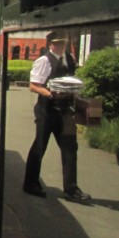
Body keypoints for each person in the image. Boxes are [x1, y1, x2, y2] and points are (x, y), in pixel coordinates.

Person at [22, 31, 91, 202]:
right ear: (50, 44)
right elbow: (33, 86)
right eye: (58, 44)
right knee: (40, 145)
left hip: (65, 111)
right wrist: (51, 94)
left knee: (69, 147)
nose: (61, 47)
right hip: (46, 110)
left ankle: (71, 189)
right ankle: (30, 183)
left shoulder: (69, 59)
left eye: (63, 44)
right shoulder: (44, 61)